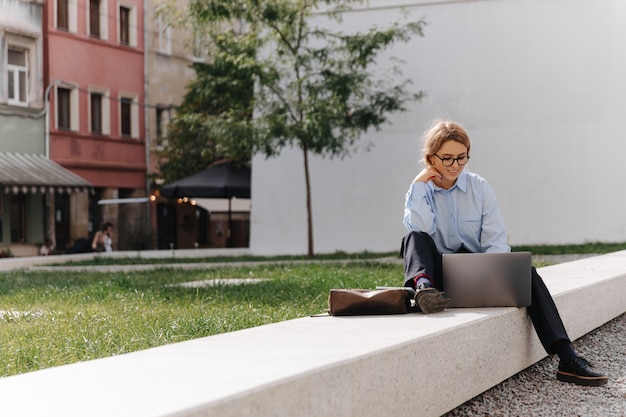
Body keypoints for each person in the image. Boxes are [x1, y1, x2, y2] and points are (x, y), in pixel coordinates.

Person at [401, 119, 607, 387]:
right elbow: (420, 229)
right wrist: (419, 184)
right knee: (413, 237)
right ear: (431, 159)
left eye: (462, 158)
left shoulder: (480, 188)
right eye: (447, 158)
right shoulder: (420, 191)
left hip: (476, 275)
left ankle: (567, 358)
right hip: (438, 281)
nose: (455, 166)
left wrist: (497, 275)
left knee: (527, 273)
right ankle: (424, 290)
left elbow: (495, 241)